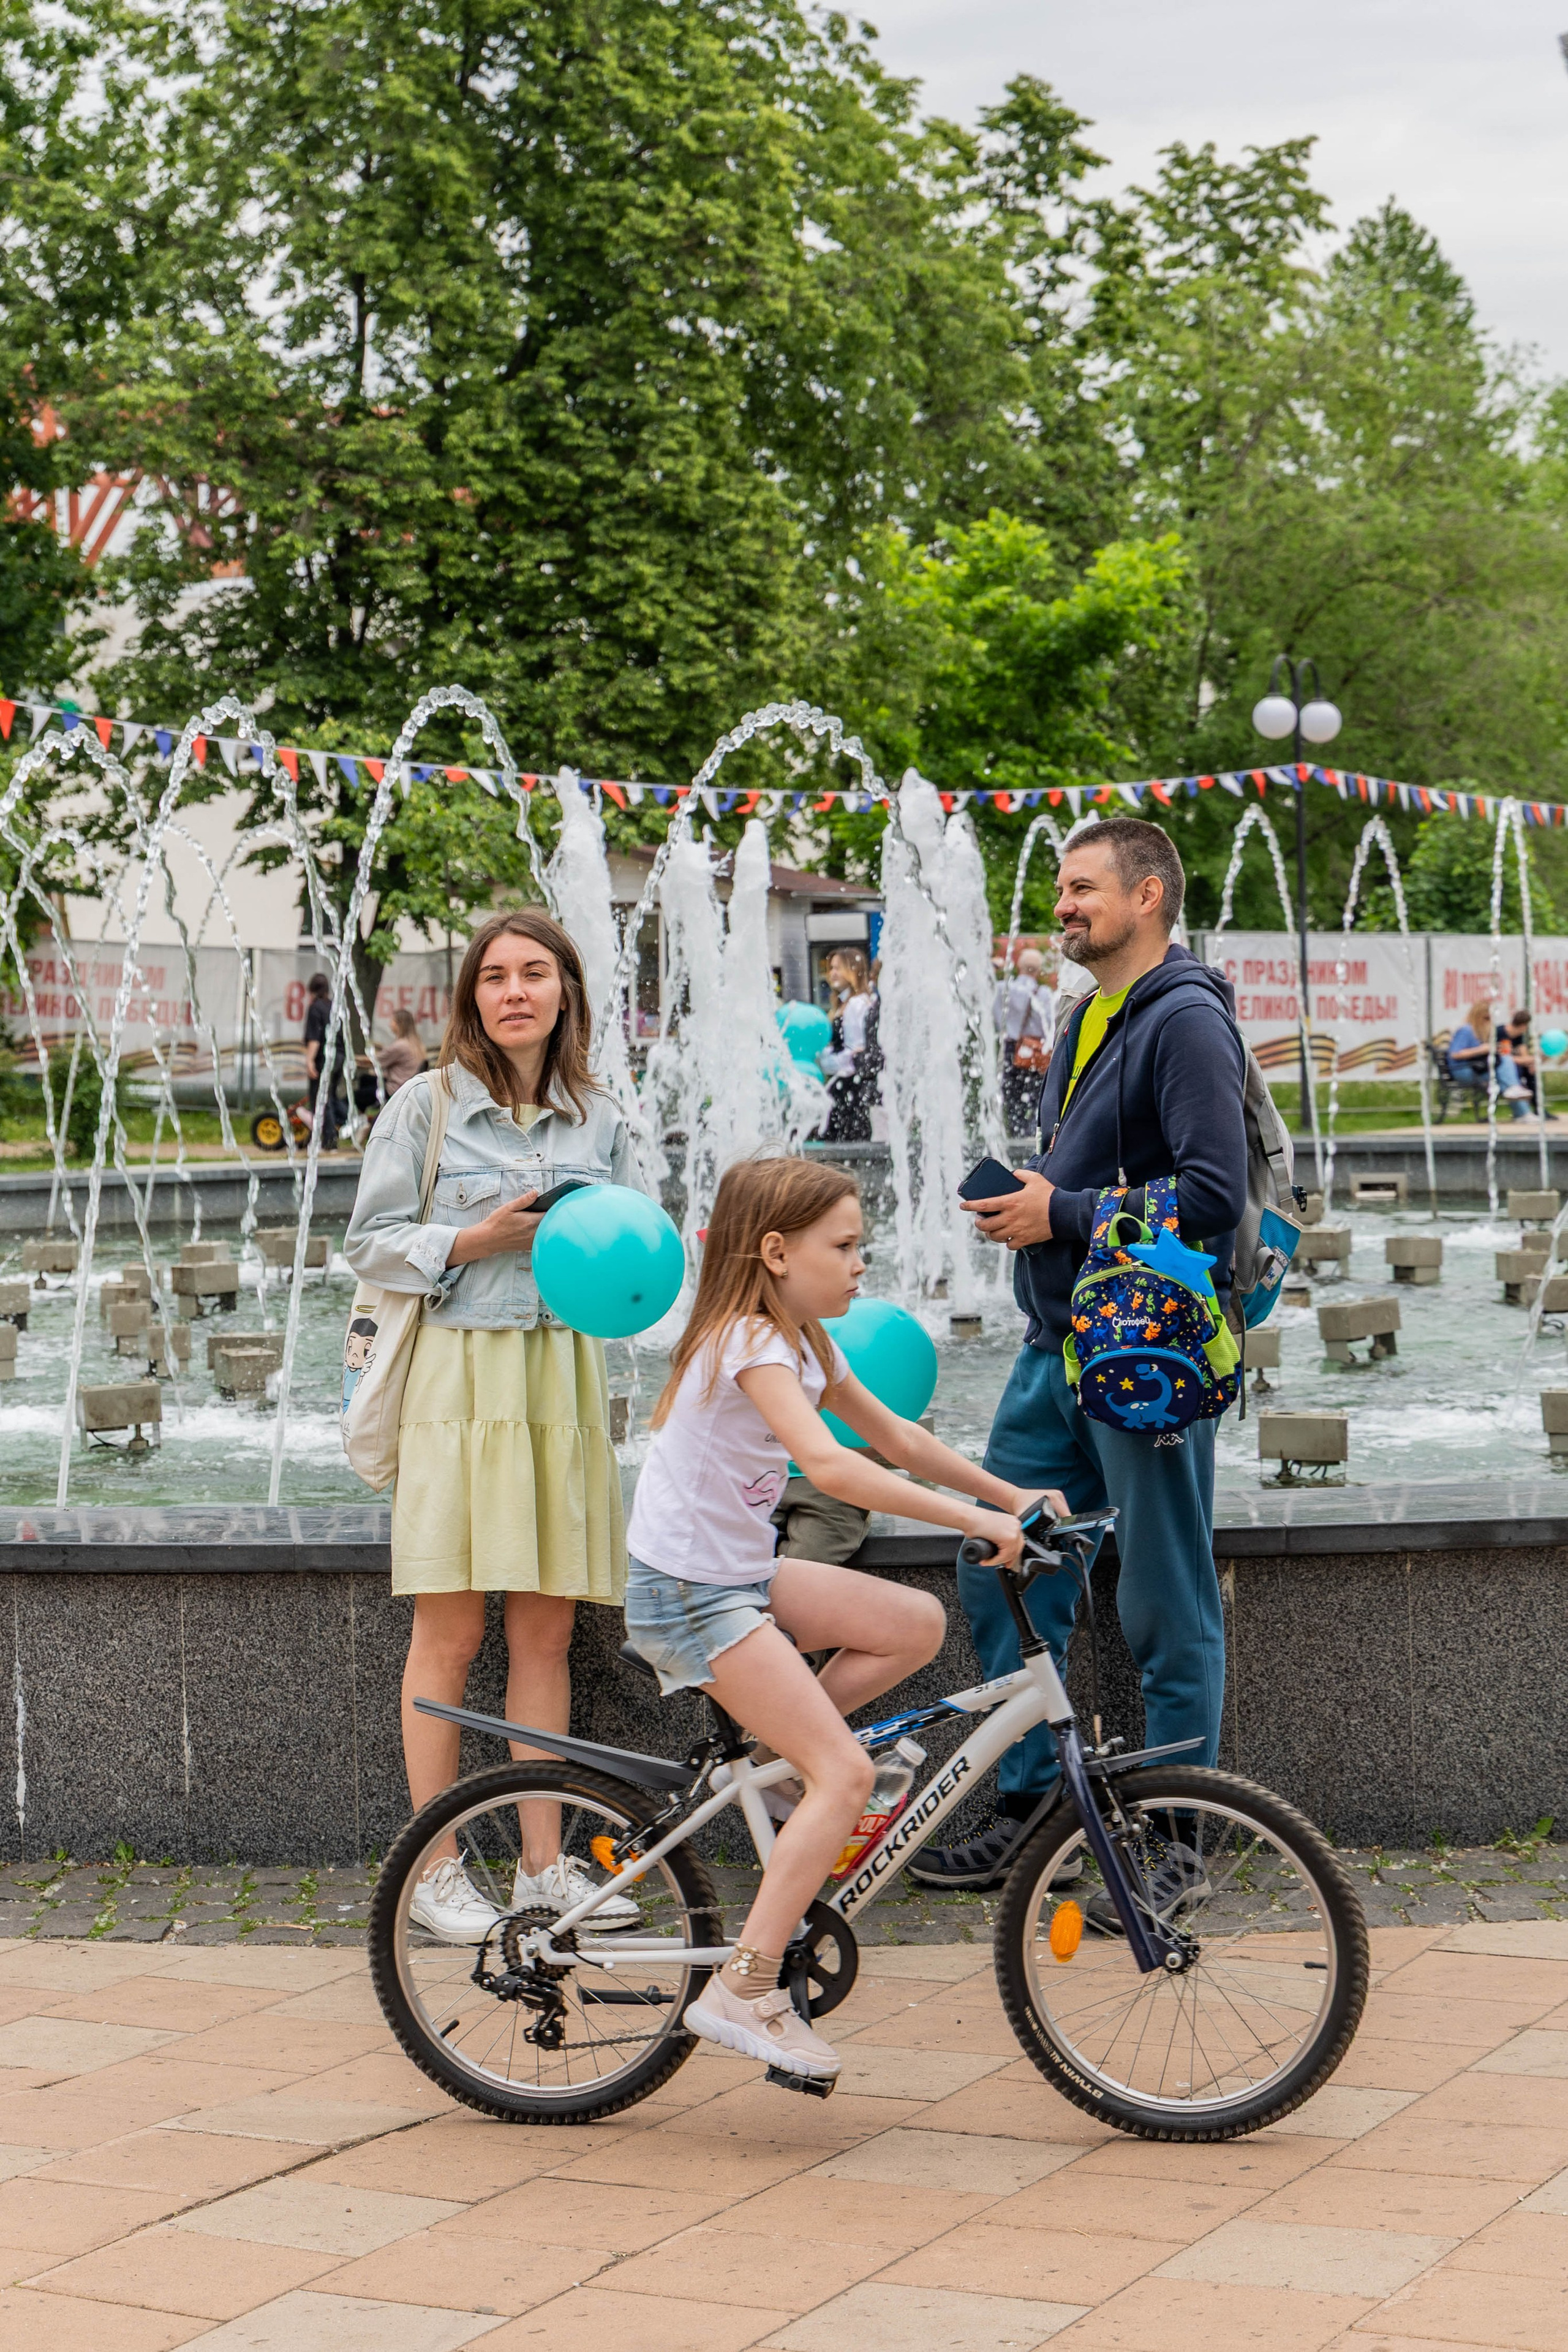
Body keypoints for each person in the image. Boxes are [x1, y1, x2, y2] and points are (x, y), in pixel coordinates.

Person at [624, 1156, 1063, 2084]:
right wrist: (978, 1523)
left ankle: (786, 1770)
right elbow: (830, 1468)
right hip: (691, 1596)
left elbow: (896, 1438)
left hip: (740, 1574)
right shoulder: (747, 1339)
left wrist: (1009, 1494)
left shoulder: (809, 1339)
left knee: (913, 1624)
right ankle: (745, 1989)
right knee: (848, 1771)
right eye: (846, 1245)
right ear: (777, 1252)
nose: (863, 1263)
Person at [911, 819, 1248, 1920]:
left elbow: (1212, 1198)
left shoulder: (1187, 1020)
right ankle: (1033, 1811)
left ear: (1149, 895)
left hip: (1147, 1358)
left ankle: (1179, 1843)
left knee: (1164, 1598)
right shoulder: (1085, 1016)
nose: (1063, 906)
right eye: (1060, 888)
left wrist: (1057, 1208)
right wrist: (1032, 1197)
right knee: (997, 1558)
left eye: (1082, 887)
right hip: (1056, 1348)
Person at [345, 909, 645, 1943]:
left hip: (560, 1374)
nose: (514, 992)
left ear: (566, 992)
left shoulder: (601, 1117)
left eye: (535, 974)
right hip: (459, 1379)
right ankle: (431, 1869)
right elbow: (370, 1245)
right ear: (472, 997)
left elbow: (637, 1257)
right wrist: (478, 1237)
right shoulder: (425, 1108)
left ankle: (545, 1870)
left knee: (547, 1630)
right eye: (494, 977)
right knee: (451, 1630)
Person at [994, 947, 1055, 1137]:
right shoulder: (1044, 994)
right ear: (1038, 971)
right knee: (1036, 1099)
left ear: (1019, 967)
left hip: (1011, 1049)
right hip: (1036, 1052)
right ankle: (1030, 1139)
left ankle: (1013, 1135)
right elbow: (1051, 1025)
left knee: (1011, 1098)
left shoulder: (1002, 988)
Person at [820, 949, 878, 1143]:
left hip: (850, 1088)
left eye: (838, 968)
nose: (832, 973)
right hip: (845, 1086)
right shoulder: (843, 1003)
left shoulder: (856, 1004)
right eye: (831, 969)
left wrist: (826, 1061)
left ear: (853, 970)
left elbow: (855, 1054)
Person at [1447, 1000, 1531, 1118]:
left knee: (1505, 1067)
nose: (1489, 1022)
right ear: (1478, 1017)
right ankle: (1523, 1113)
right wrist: (1482, 1049)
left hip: (1476, 1068)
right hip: (1463, 1070)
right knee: (1505, 1075)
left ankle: (1521, 1108)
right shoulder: (1466, 1030)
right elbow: (1455, 1054)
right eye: (1487, 1019)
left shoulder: (1477, 1032)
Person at [303, 973, 349, 1151]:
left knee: (321, 1098)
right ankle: (353, 1122)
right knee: (333, 1096)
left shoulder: (315, 1008)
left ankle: (329, 1141)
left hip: (325, 1058)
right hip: (340, 1057)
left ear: (312, 990)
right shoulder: (334, 1007)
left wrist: (310, 1061)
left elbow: (314, 1039)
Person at [379, 1008, 426, 1095]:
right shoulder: (417, 1044)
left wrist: (355, 1060)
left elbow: (375, 1062)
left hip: (396, 1090)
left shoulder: (400, 1046)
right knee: (366, 1080)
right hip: (409, 1088)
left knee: (357, 1094)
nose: (390, 1025)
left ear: (399, 1024)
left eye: (392, 1021)